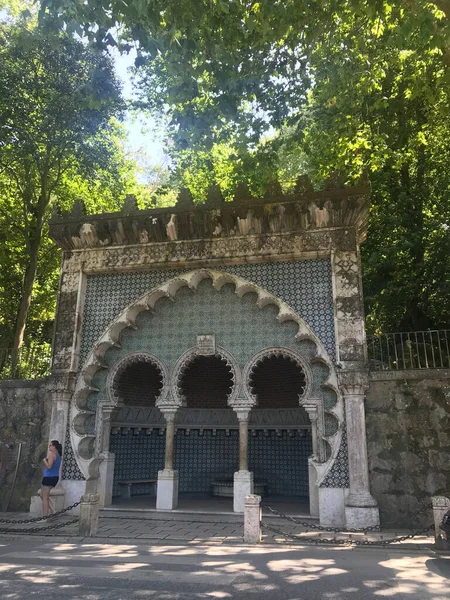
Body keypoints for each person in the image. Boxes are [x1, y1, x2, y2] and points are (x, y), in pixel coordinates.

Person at [41, 440, 62, 518]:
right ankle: (53, 511)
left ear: (54, 446)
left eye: (50, 445)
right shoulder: (59, 456)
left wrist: (44, 461)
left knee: (45, 497)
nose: (49, 446)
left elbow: (49, 466)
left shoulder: (52, 455)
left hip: (49, 477)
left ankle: (44, 516)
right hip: (54, 477)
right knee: (42, 495)